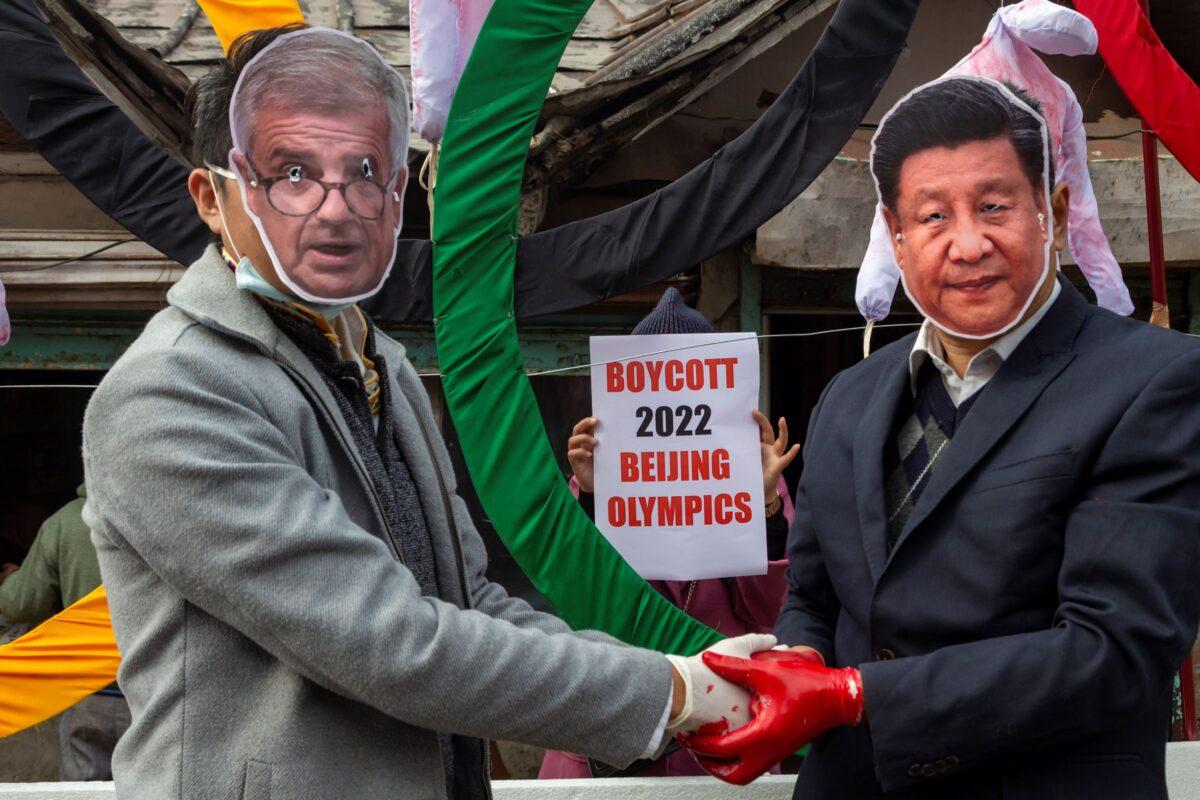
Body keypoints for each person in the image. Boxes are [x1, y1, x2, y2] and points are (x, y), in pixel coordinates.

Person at [80, 25, 775, 800]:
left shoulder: (384, 362)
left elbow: (467, 601)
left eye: (366, 172)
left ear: (397, 196)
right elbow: (390, 641)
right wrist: (672, 692)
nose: (335, 209)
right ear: (214, 197)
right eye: (293, 174)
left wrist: (684, 679)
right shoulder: (172, 391)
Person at [680, 77, 1200, 799]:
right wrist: (798, 659)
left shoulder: (1155, 381)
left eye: (994, 207)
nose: (967, 244)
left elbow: (1113, 652)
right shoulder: (849, 397)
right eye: (932, 217)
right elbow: (815, 594)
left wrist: (856, 695)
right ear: (896, 236)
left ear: (1052, 210)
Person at [540, 287, 799, 779]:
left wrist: (763, 500)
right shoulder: (596, 474)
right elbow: (583, 597)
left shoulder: (749, 474)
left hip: (719, 729)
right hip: (611, 725)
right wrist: (595, 495)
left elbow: (771, 614)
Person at [0, 485, 131, 780]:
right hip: (153, 689)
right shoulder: (168, 510)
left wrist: (14, 580)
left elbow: (21, 606)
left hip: (87, 691)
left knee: (81, 790)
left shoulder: (65, 521)